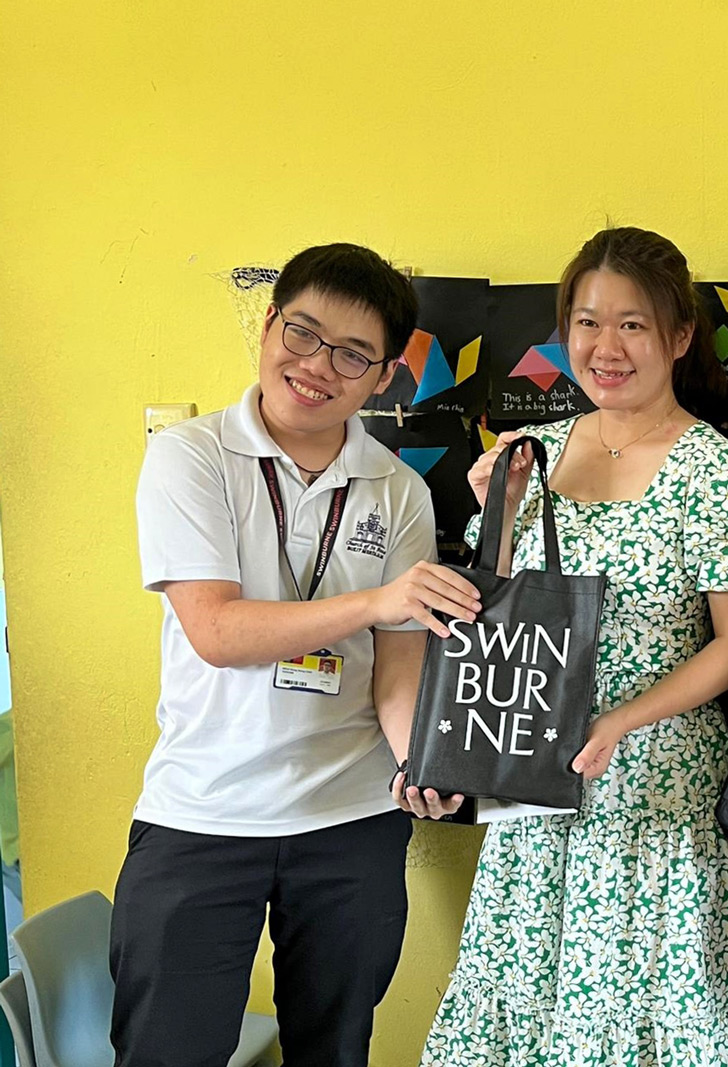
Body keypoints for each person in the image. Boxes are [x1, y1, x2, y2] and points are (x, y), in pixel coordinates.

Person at [415, 227, 728, 1066]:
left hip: (656, 789)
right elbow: (491, 617)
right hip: (534, 789)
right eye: (586, 323)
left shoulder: (717, 471)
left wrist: (621, 719)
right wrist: (496, 521)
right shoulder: (530, 456)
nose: (604, 347)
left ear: (679, 337)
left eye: (632, 325)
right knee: (525, 1003)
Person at [113, 243, 484, 1066]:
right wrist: (380, 599)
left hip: (351, 821)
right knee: (168, 1050)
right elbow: (217, 632)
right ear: (271, 322)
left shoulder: (399, 490)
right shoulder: (191, 457)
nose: (318, 367)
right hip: (202, 814)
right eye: (305, 333)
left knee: (335, 1047)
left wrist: (418, 760)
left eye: (353, 355)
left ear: (385, 376)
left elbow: (398, 668)